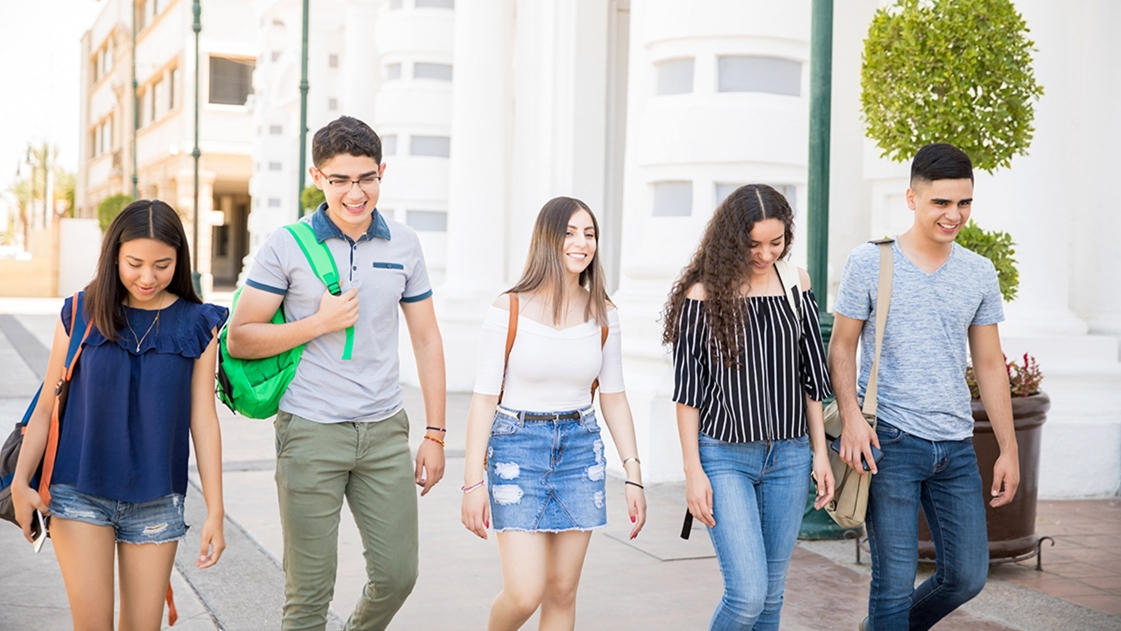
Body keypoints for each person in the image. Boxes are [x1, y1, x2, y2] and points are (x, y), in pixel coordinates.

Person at [227, 115, 446, 631]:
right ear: (317, 176)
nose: (355, 192)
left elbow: (427, 338)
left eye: (366, 178)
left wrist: (435, 432)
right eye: (341, 179)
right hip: (310, 430)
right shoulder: (286, 244)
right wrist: (317, 323)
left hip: (384, 432)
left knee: (397, 575)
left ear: (381, 173)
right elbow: (240, 335)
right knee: (307, 596)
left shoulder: (405, 244)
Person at [11, 199, 227, 630]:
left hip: (157, 499)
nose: (147, 277)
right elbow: (48, 404)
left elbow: (203, 420)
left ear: (179, 260)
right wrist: (20, 480)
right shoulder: (80, 311)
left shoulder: (199, 323)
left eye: (162, 265)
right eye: (135, 263)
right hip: (78, 491)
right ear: (115, 256)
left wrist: (217, 511)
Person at [830, 143, 1019, 631]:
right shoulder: (869, 262)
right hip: (888, 441)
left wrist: (1008, 449)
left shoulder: (978, 272)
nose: (954, 215)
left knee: (965, 576)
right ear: (912, 199)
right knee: (892, 584)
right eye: (941, 202)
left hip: (954, 445)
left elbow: (990, 363)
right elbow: (843, 346)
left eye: (964, 203)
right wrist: (851, 419)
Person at [460, 196, 647, 631]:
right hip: (517, 448)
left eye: (590, 234)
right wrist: (473, 482)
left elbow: (614, 397)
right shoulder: (508, 308)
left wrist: (633, 472)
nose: (582, 243)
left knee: (562, 591)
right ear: (547, 239)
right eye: (570, 233)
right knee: (525, 592)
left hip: (580, 450)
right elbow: (484, 399)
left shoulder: (604, 312)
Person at [662, 184, 835, 631]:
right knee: (746, 596)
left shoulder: (796, 282)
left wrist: (819, 454)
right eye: (753, 244)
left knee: (772, 598)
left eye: (775, 243)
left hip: (790, 455)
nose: (764, 254)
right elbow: (687, 394)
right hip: (724, 458)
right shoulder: (702, 295)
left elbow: (811, 376)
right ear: (730, 238)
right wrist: (693, 471)